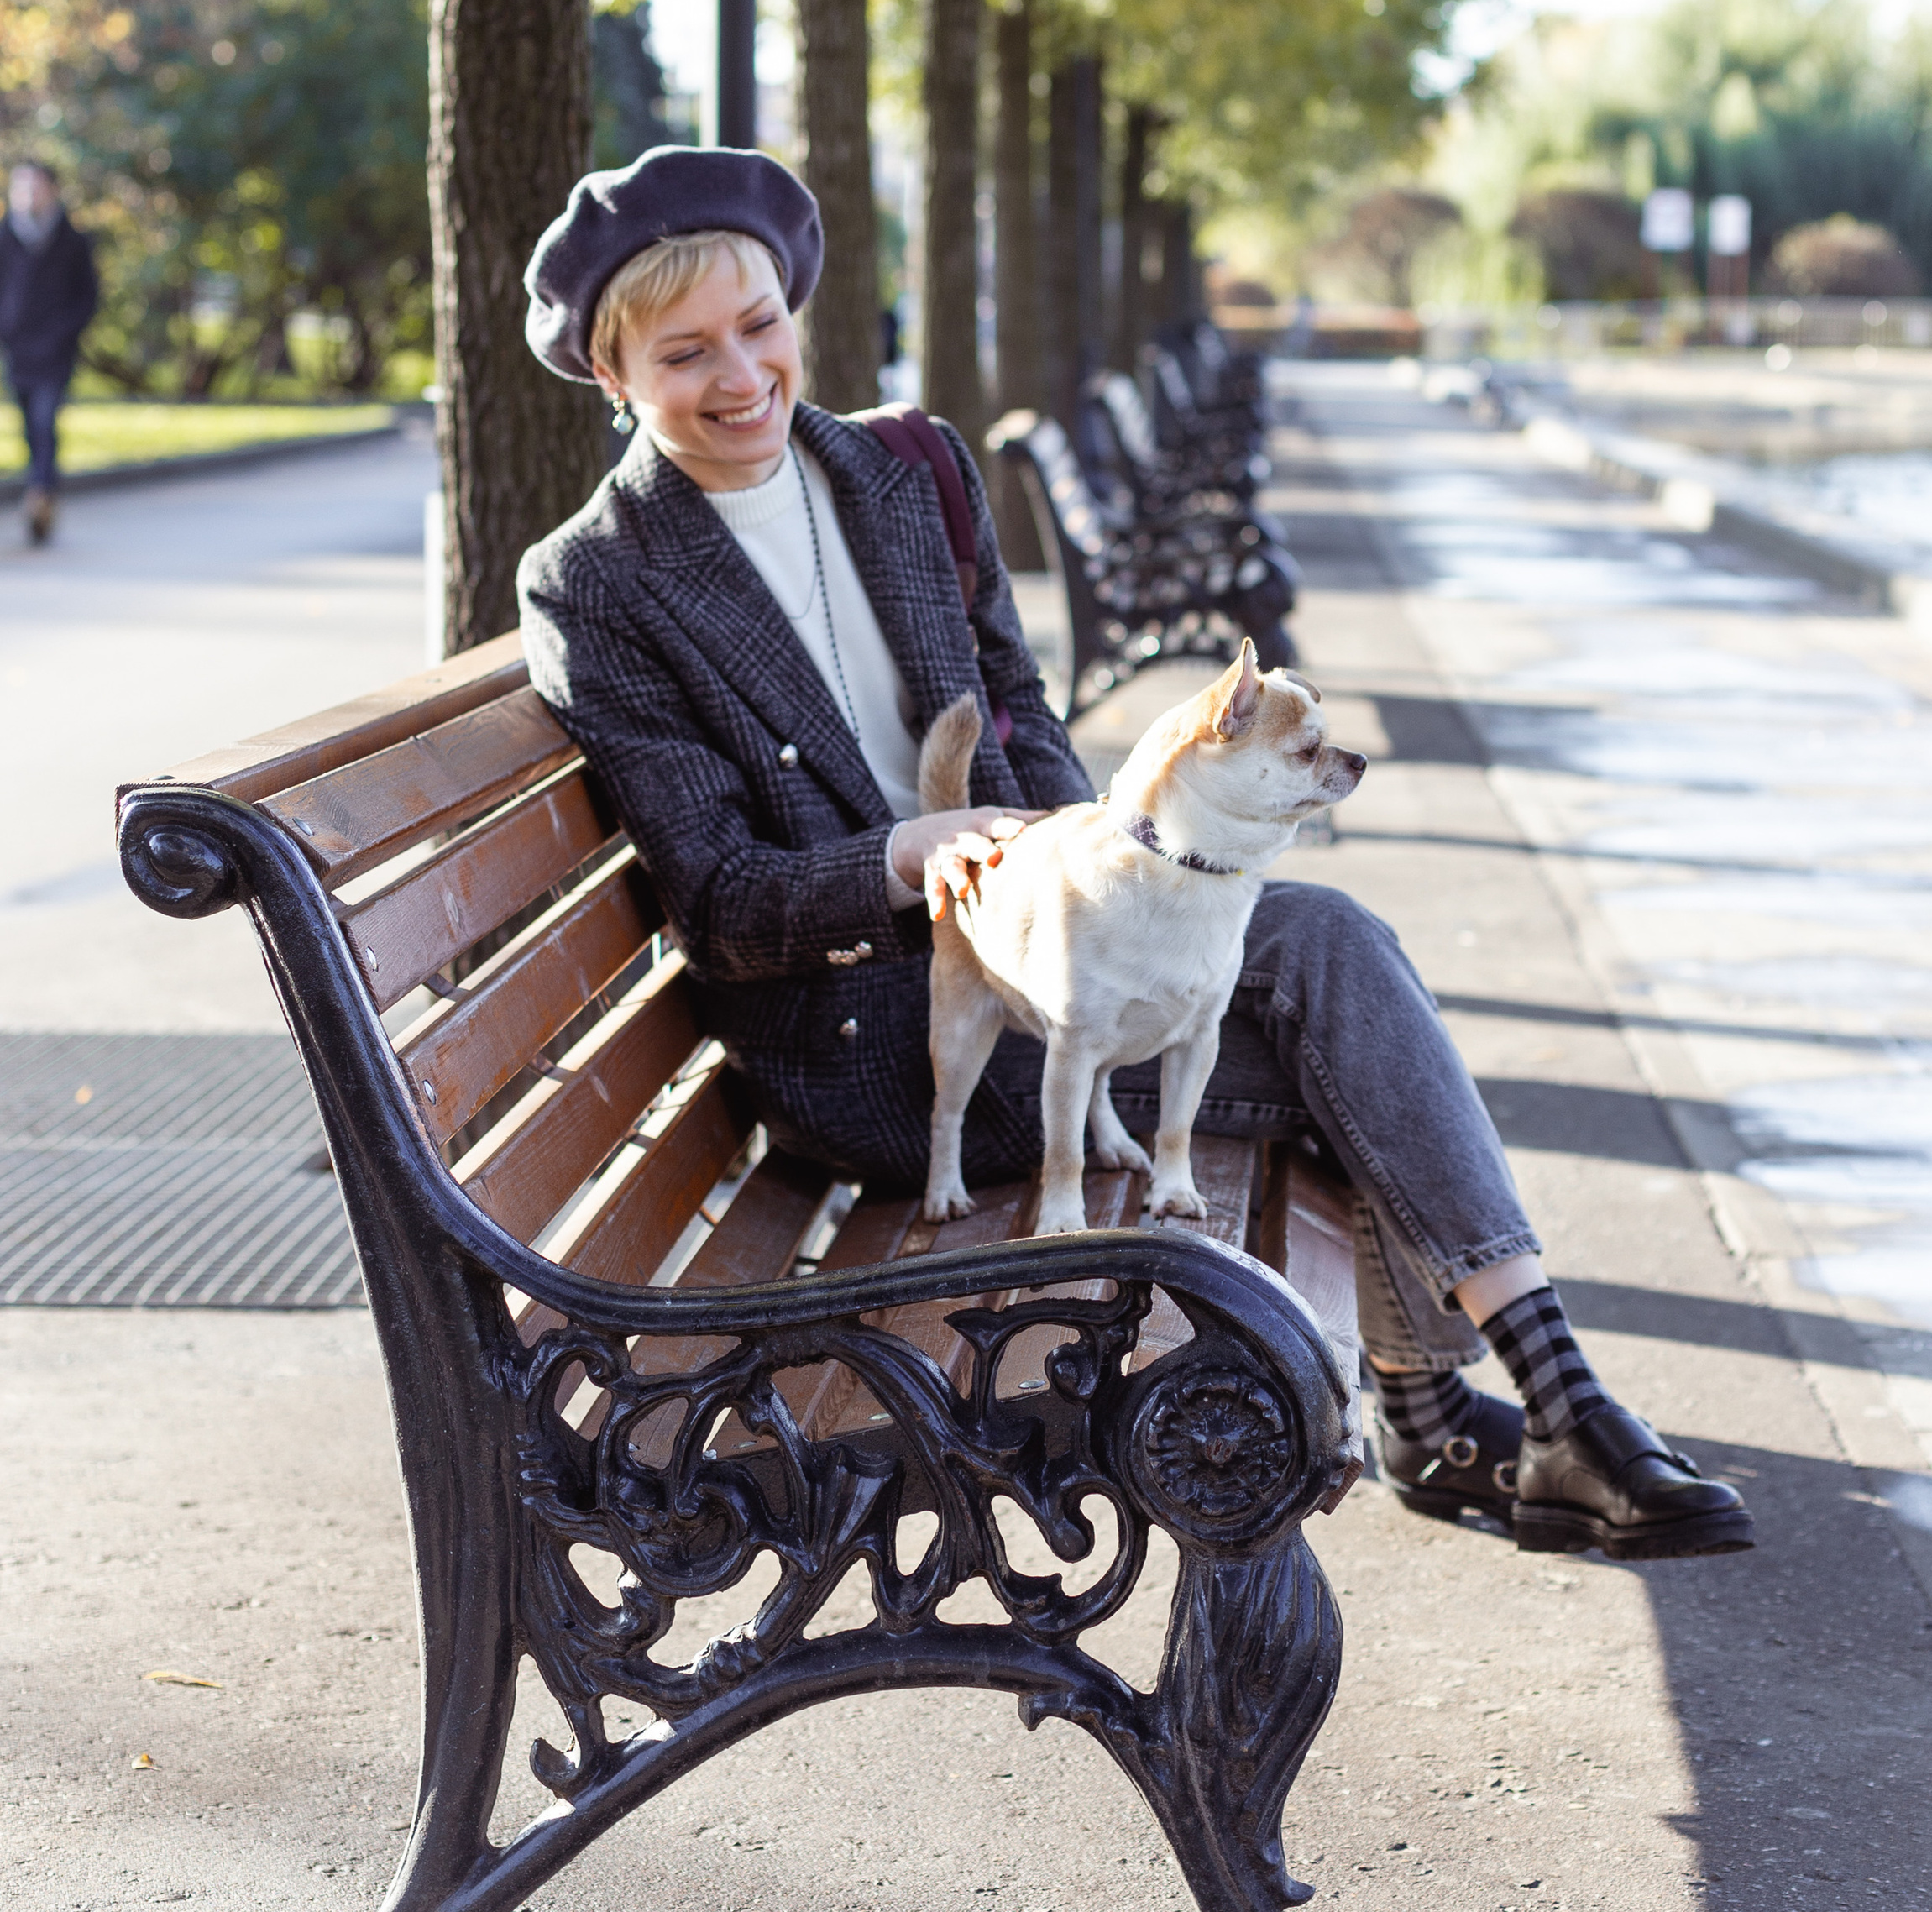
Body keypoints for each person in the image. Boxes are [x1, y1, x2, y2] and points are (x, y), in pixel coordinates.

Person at [516, 148, 1753, 1564]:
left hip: (1066, 944)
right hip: (885, 1049)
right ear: (611, 374)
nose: (741, 376)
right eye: (684, 355)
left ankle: (1546, 1405)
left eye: (761, 327)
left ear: (796, 309)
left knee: (1317, 947)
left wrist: (1115, 859)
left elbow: (1023, 711)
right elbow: (723, 904)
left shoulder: (899, 469)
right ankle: (1480, 1406)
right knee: (1324, 1016)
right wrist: (899, 853)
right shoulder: (598, 580)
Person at [0, 160, 99, 548]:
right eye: (20, 186)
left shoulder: (72, 239)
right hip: (18, 347)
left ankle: (41, 492)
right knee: (28, 423)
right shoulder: (6, 236)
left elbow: (87, 296)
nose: (27, 194)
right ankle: (42, 488)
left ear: (51, 190)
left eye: (35, 186)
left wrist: (66, 331)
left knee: (45, 418)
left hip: (56, 349)